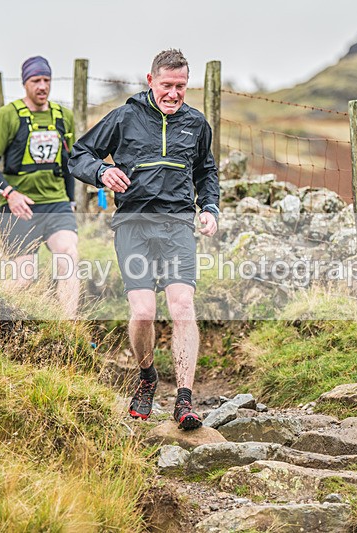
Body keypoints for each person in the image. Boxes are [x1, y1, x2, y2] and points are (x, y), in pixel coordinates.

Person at [70, 49, 220, 430]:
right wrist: (102, 173)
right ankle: (148, 376)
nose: (174, 94)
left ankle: (185, 399)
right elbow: (78, 155)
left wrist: (210, 208)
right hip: (133, 225)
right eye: (167, 85)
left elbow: (206, 172)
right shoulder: (125, 117)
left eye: (181, 87)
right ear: (150, 81)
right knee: (143, 311)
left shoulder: (197, 124)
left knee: (183, 306)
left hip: (177, 227)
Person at [0, 55, 80, 319]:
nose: (42, 86)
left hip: (56, 202)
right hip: (19, 206)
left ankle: (69, 328)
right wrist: (10, 194)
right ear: (25, 83)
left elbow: (68, 162)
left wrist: (70, 201)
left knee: (68, 255)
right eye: (36, 80)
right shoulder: (8, 116)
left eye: (47, 80)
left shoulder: (63, 116)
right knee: (24, 276)